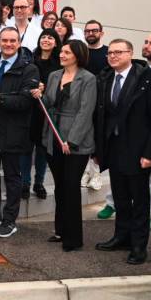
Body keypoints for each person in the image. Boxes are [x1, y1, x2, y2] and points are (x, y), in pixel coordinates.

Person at [93, 38, 151, 265]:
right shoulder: (105, 79)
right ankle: (122, 237)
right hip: (114, 150)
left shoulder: (148, 80)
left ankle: (138, 246)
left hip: (138, 152)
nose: (113, 56)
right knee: (121, 198)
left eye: (118, 52)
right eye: (110, 53)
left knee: (140, 201)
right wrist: (98, 149)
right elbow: (101, 117)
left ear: (130, 53)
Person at [32, 40, 96, 252]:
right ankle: (60, 230)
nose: (62, 54)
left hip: (74, 141)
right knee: (60, 186)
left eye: (67, 52)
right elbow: (50, 103)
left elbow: (86, 112)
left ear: (77, 55)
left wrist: (73, 140)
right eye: (62, 52)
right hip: (54, 136)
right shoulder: (54, 76)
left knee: (70, 187)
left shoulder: (88, 79)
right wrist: (40, 95)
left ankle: (74, 237)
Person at [0, 27, 40, 238]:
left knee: (12, 176)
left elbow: (26, 100)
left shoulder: (29, 68)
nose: (8, 44)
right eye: (4, 40)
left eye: (13, 40)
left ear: (19, 42)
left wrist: (1, 100)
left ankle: (9, 220)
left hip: (12, 130)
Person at [21, 28, 62, 201]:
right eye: (43, 37)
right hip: (29, 109)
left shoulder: (59, 63)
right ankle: (25, 182)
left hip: (47, 110)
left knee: (42, 149)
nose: (46, 40)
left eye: (50, 38)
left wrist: (45, 91)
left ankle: (39, 182)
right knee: (26, 148)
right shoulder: (30, 59)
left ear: (55, 42)